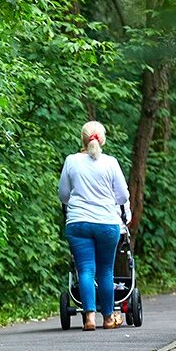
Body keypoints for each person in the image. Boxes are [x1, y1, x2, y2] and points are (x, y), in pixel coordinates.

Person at [58, 121, 131, 331]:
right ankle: (108, 318)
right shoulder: (111, 163)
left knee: (85, 269)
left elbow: (63, 195)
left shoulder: (71, 161)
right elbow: (123, 196)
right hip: (107, 224)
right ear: (103, 139)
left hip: (78, 223)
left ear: (83, 139)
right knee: (106, 271)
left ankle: (89, 317)